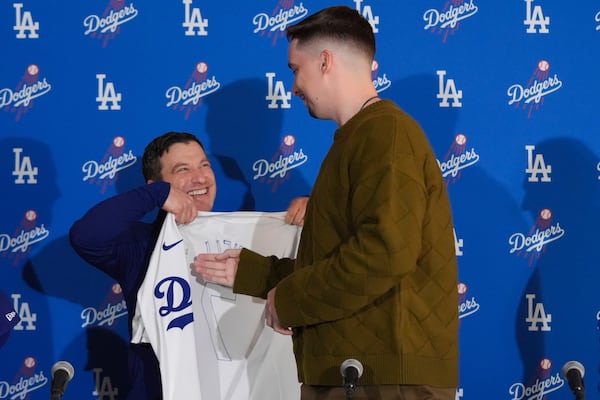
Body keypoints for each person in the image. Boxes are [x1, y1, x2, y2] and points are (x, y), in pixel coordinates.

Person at [194, 6, 459, 400]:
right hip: (361, 372)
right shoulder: (360, 138)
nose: (293, 86)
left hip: (381, 380)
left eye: (294, 69)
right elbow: (343, 259)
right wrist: (258, 275)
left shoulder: (385, 133)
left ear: (324, 61)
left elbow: (384, 253)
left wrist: (289, 299)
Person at [70, 131, 306, 400]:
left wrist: (315, 215)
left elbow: (327, 270)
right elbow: (86, 236)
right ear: (154, 185)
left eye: (204, 165)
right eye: (183, 169)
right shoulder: (141, 245)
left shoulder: (253, 235)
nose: (200, 177)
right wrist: (157, 195)